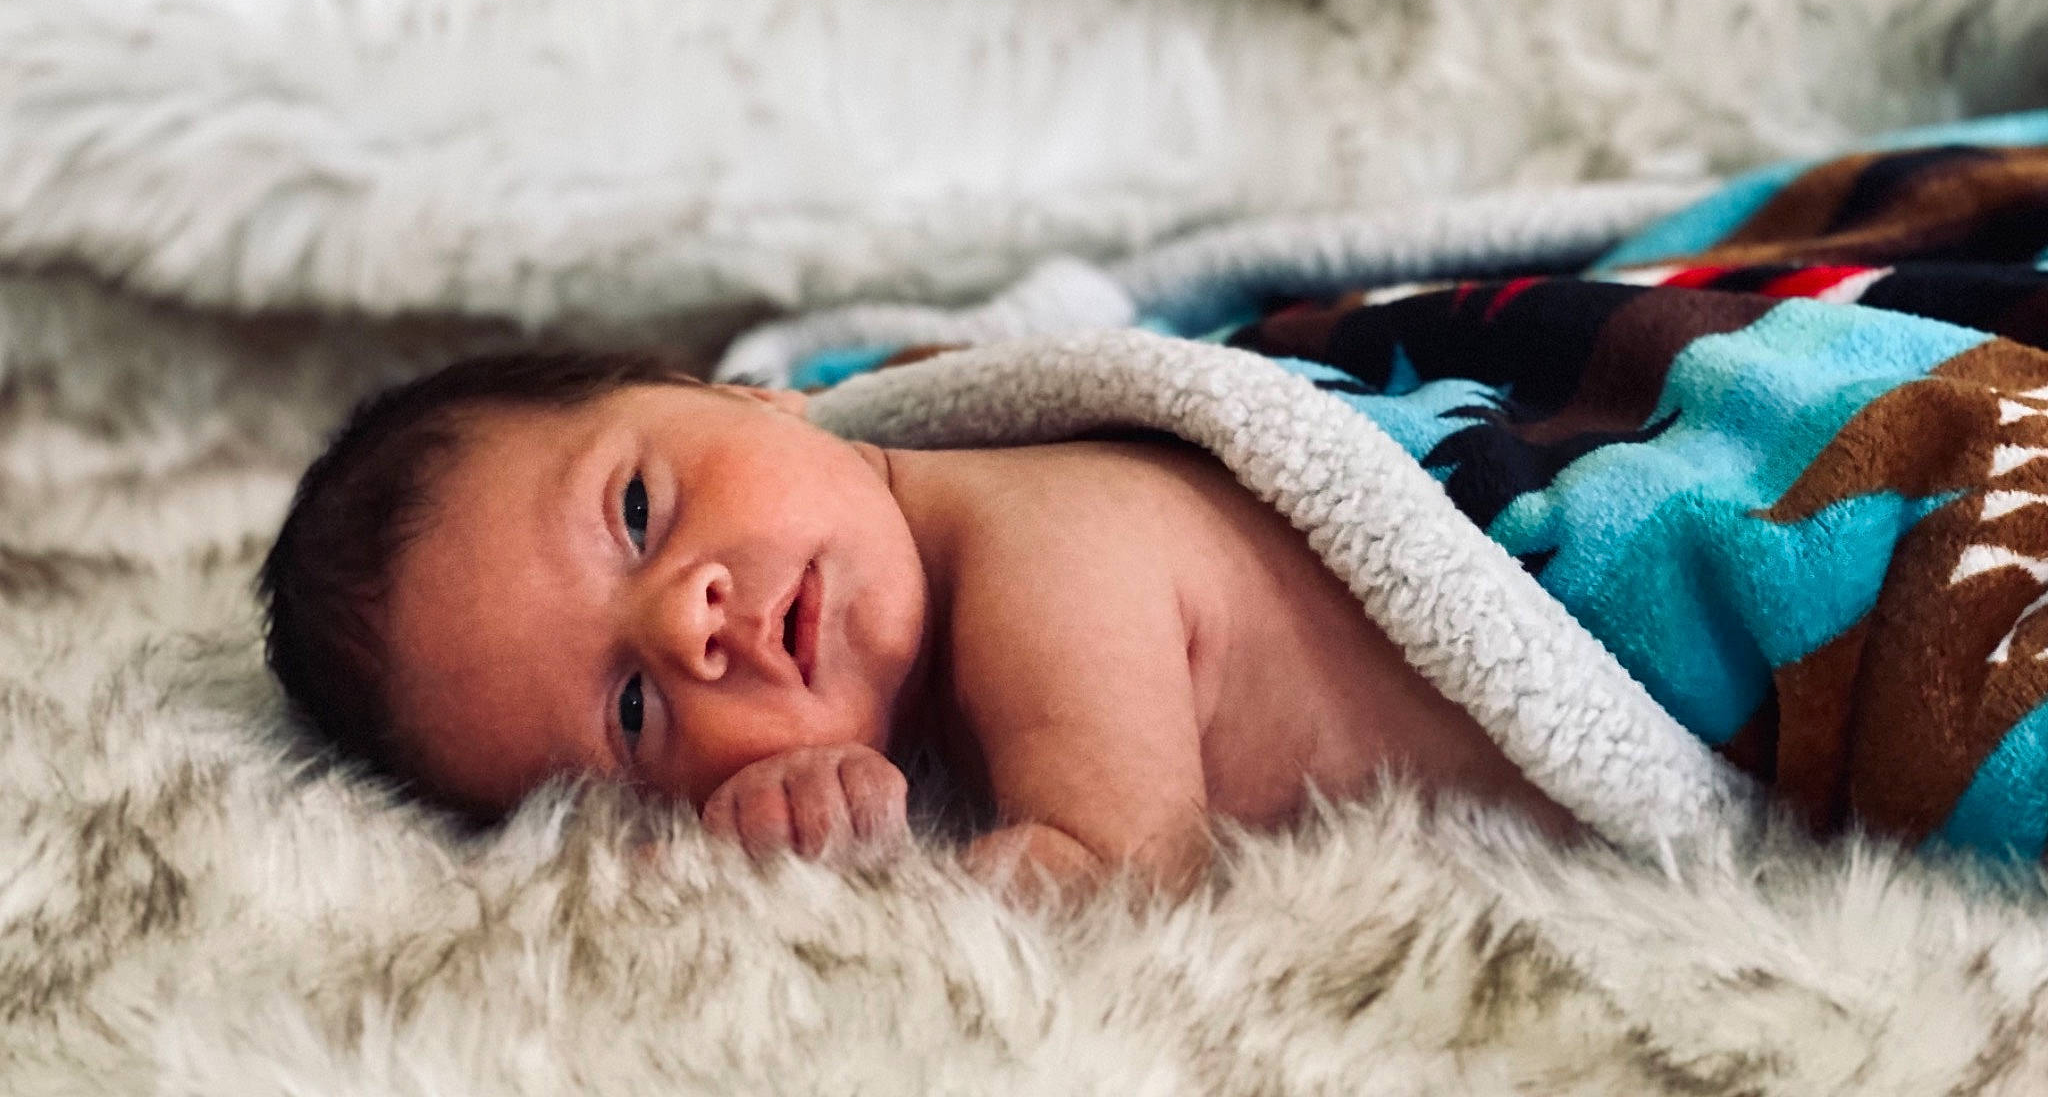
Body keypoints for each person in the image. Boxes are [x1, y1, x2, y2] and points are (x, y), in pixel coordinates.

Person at [259, 351, 1580, 898]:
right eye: (631, 711)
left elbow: (1126, 882)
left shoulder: (1047, 563)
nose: (687, 625)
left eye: (641, 508)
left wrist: (854, 899)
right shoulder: (900, 601)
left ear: (752, 395)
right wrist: (814, 828)